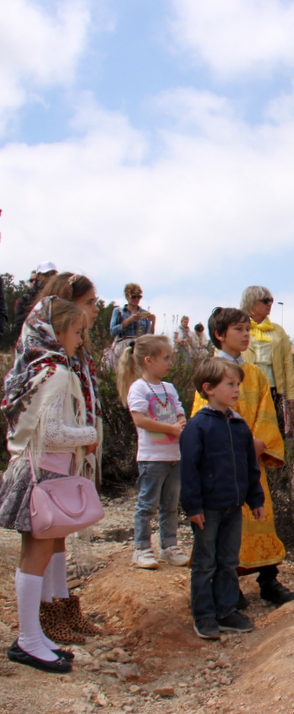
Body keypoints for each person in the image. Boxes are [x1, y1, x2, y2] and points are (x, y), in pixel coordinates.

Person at [0, 297, 99, 673]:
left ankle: (33, 634)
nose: (80, 339)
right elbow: (54, 432)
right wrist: (90, 433)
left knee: (32, 556)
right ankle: (27, 640)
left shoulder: (34, 368)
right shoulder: (57, 373)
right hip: (45, 474)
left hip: (33, 471)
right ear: (56, 333)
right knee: (35, 558)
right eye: (76, 332)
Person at [192, 308, 294, 605]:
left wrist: (258, 444)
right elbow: (203, 419)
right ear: (220, 334)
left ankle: (268, 580)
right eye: (239, 329)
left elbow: (266, 413)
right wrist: (238, 442)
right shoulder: (210, 372)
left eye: (247, 330)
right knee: (226, 525)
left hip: (251, 464)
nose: (246, 335)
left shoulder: (254, 373)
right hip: (222, 467)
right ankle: (228, 587)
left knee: (260, 517)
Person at [32, 272, 105, 641]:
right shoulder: (52, 359)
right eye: (90, 303)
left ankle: (61, 601)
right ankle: (46, 614)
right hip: (52, 457)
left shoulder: (76, 349)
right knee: (48, 531)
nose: (95, 310)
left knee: (60, 530)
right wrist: (86, 435)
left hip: (70, 453)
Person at [180, 358, 265, 639]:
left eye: (237, 384)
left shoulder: (239, 425)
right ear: (209, 388)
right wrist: (192, 506)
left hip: (233, 506)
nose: (236, 389)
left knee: (228, 560)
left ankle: (226, 610)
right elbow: (189, 469)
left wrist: (255, 499)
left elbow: (249, 466)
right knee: (205, 562)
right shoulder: (198, 426)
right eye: (230, 384)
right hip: (207, 509)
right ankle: (204, 615)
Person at [116, 335, 188, 570]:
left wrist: (180, 424)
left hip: (174, 456)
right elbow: (140, 420)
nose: (170, 363)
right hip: (152, 459)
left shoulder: (169, 387)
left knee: (170, 505)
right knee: (147, 504)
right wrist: (171, 429)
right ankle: (142, 549)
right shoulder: (138, 388)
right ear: (148, 360)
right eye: (166, 358)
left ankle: (169, 546)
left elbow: (179, 411)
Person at [241, 286, 294, 436]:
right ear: (251, 302)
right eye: (265, 300)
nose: (270, 304)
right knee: (248, 433)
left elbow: (288, 364)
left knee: (274, 434)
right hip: (245, 389)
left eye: (271, 301)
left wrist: (292, 395)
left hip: (273, 389)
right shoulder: (238, 328)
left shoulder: (278, 330)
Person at [109, 283, 155, 358]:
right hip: (122, 346)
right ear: (127, 297)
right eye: (133, 297)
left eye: (139, 297)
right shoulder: (119, 311)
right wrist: (128, 321)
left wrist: (153, 322)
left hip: (139, 346)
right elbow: (112, 332)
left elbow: (148, 336)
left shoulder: (144, 313)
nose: (136, 299)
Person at [13, 262, 58, 337]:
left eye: (53, 274)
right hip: (32, 340)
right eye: (47, 275)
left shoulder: (58, 297)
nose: (51, 278)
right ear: (39, 277)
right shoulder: (27, 299)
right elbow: (20, 324)